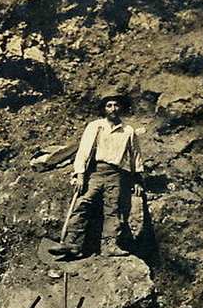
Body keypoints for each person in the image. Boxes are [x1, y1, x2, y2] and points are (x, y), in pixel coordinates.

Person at [49, 89, 144, 260]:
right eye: (109, 105)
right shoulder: (95, 126)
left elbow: (135, 156)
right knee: (83, 203)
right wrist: (80, 174)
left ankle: (110, 245)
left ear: (121, 108)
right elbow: (84, 151)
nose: (113, 109)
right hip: (95, 172)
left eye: (116, 105)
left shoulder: (128, 131)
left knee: (113, 209)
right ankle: (72, 243)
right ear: (104, 109)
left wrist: (137, 179)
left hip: (115, 174)